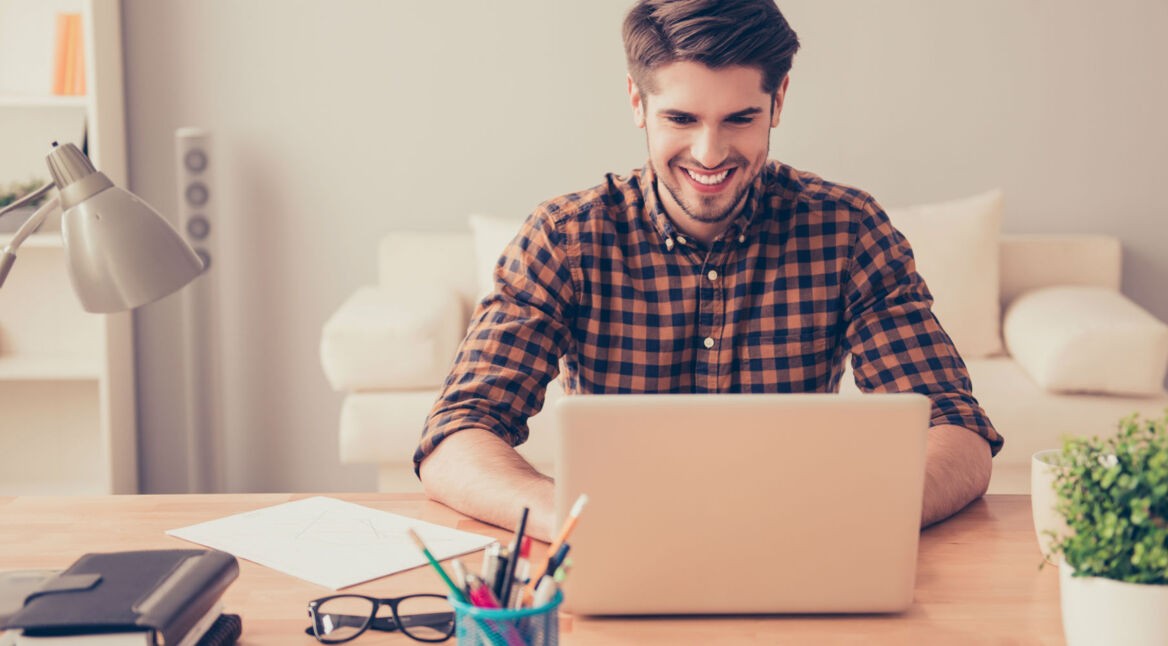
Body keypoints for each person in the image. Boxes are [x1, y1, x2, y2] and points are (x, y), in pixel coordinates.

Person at [414, 0, 1002, 542]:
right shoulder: (565, 238)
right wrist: (570, 518)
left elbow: (955, 427)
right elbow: (458, 432)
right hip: (618, 551)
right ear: (636, 103)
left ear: (779, 101)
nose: (709, 152)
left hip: (798, 546)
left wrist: (857, 515)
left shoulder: (847, 231)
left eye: (740, 119)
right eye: (682, 118)